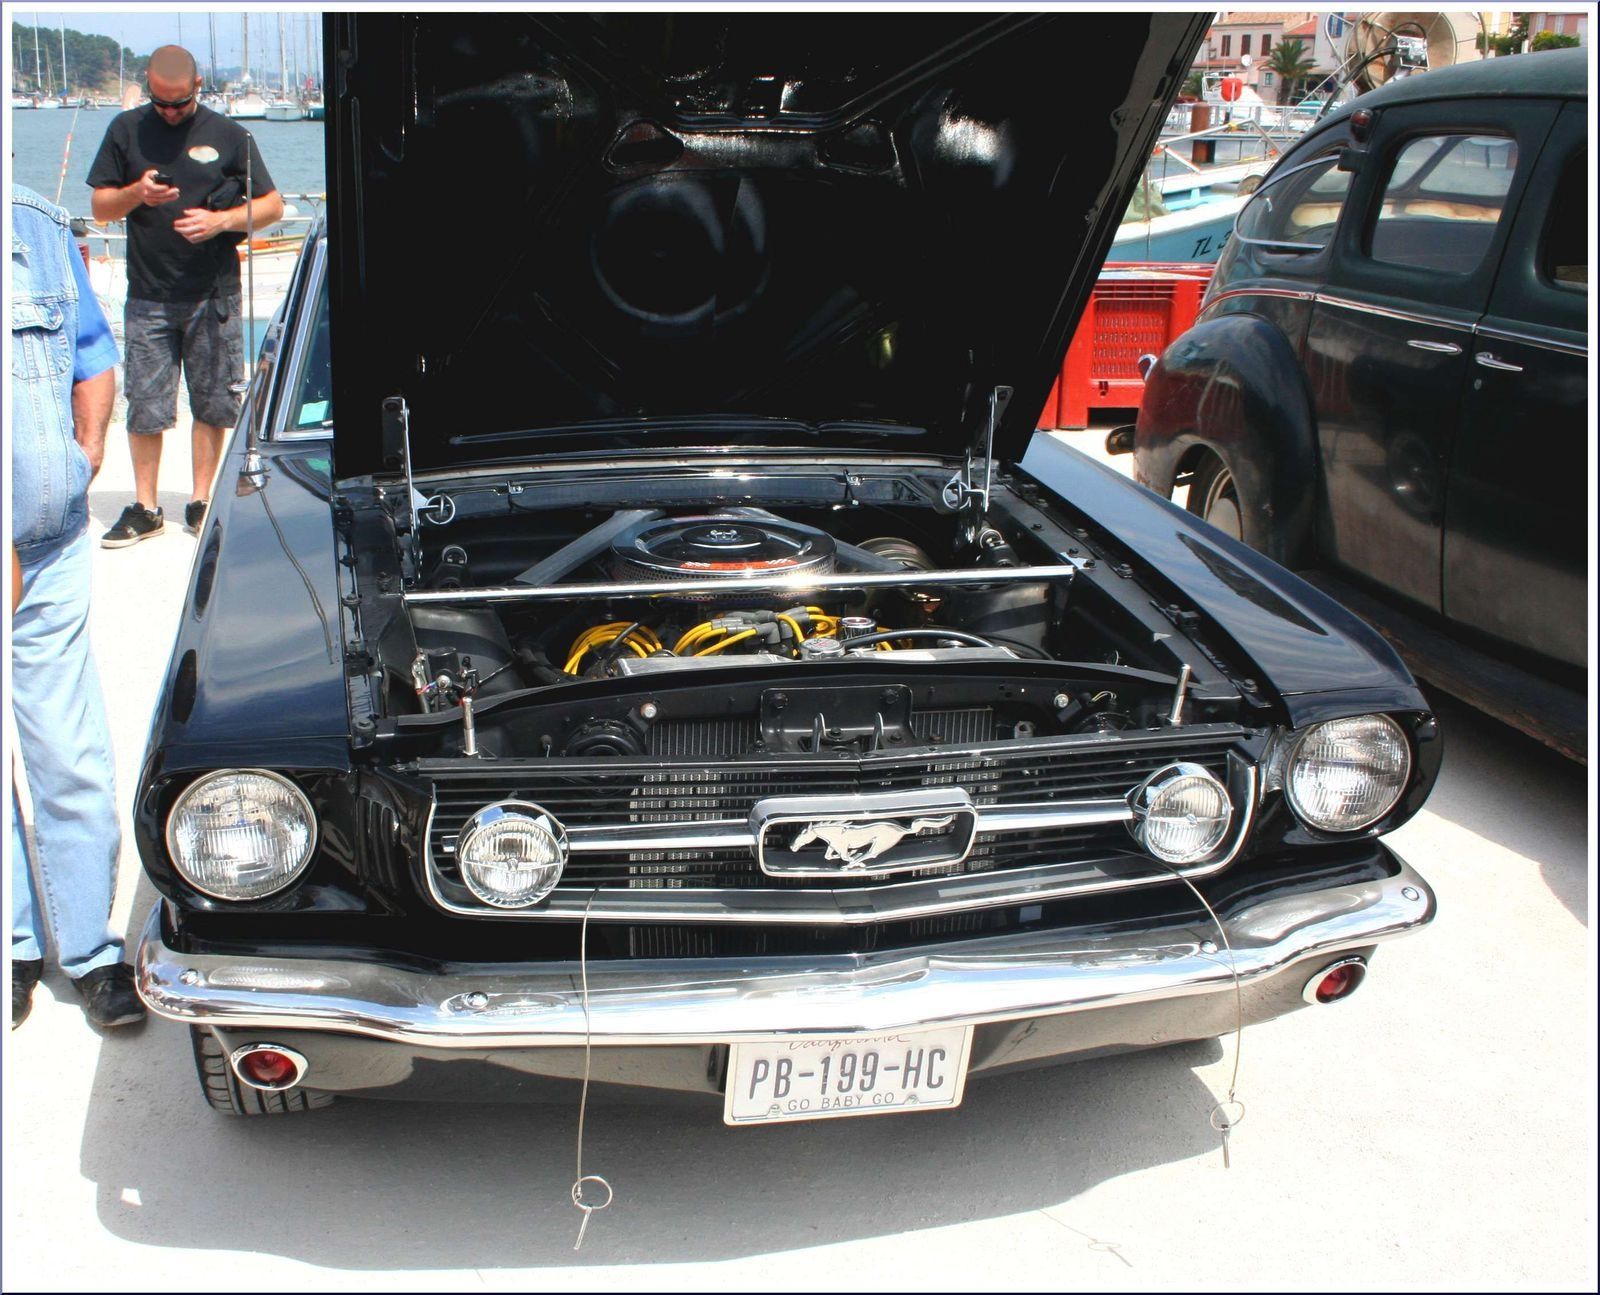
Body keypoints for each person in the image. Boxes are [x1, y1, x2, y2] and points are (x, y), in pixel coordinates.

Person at [10, 184, 144, 1030]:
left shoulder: (36, 225)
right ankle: (14, 946)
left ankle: (90, 949)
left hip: (48, 545)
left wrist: (86, 451)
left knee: (71, 753)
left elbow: (93, 356)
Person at [86, 43, 283, 546]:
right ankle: (146, 507)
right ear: (148, 89)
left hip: (212, 292)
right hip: (149, 293)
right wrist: (137, 194)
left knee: (213, 402)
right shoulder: (125, 130)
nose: (170, 112)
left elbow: (272, 205)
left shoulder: (229, 133)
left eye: (179, 102)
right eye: (160, 102)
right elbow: (102, 208)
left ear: (198, 87)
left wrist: (220, 221)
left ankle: (201, 501)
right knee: (146, 406)